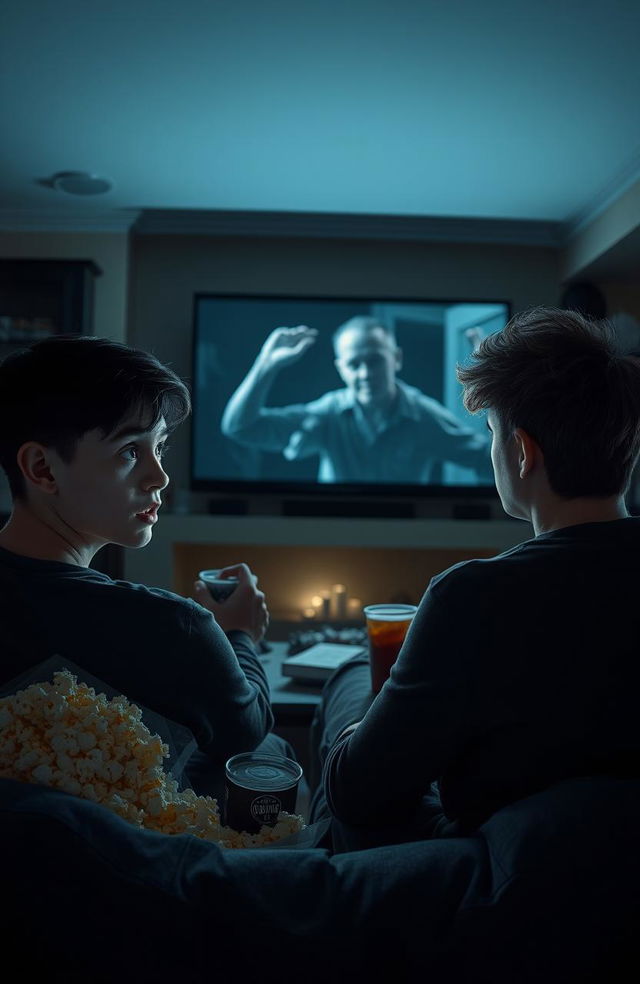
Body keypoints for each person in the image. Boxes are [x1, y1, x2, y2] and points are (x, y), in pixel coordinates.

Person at [310, 306, 640, 850]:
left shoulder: (473, 596)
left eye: (491, 432)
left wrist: (361, 731)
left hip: (498, 867)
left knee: (350, 697)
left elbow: (360, 795)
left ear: (522, 452)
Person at [0, 335, 290, 801]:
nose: (160, 477)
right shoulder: (173, 627)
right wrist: (239, 634)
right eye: (130, 451)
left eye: (161, 448)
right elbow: (246, 731)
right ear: (42, 469)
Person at [221, 315, 492, 484]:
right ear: (341, 369)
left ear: (395, 359)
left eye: (374, 361)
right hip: (330, 533)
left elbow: (488, 461)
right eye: (353, 364)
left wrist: (491, 385)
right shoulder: (327, 412)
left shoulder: (423, 416)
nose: (365, 373)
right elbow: (240, 428)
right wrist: (266, 365)